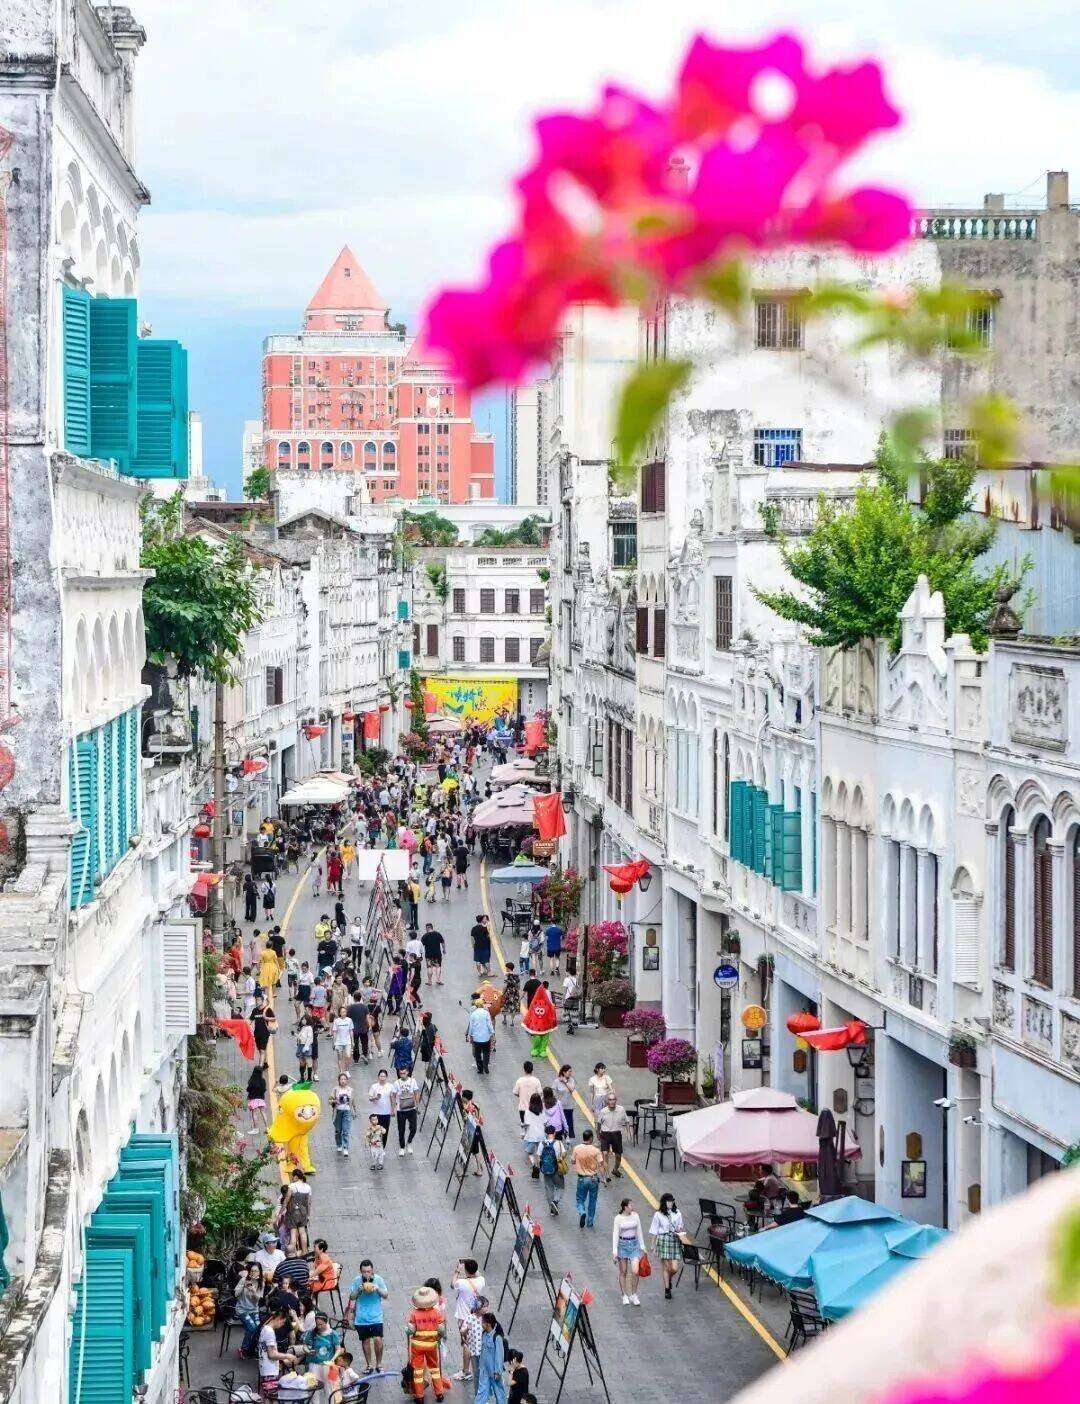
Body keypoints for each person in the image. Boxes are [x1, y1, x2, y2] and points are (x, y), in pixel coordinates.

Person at [406, 1283, 449, 1401]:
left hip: (417, 1346)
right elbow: (441, 1329)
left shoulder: (414, 1313)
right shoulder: (436, 1312)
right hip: (432, 1345)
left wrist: (407, 1329)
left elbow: (411, 1330)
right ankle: (439, 1393)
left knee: (418, 1371)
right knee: (434, 1368)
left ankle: (419, 1396)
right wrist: (439, 1337)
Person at [347, 1259, 388, 1374]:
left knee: (378, 1340)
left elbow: (385, 1295)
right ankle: (369, 1365)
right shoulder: (356, 1281)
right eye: (364, 1272)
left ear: (372, 1270)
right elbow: (352, 1297)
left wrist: (377, 1289)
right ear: (361, 1271)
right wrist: (359, 1290)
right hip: (361, 1317)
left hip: (376, 1316)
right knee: (365, 1341)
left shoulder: (378, 1279)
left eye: (368, 1271)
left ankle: (379, 1364)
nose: (366, 1274)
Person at [451, 1259, 485, 1382]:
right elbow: (477, 1274)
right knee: (472, 1341)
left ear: (466, 1270)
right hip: (476, 1316)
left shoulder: (462, 1283)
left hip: (463, 1317)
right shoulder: (481, 1281)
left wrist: (457, 1270)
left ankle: (466, 1371)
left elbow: (452, 1284)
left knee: (465, 1343)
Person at [650, 1192, 685, 1299]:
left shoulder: (677, 1213)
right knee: (666, 1267)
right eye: (669, 1201)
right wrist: (652, 1245)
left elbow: (680, 1226)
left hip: (674, 1239)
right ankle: (667, 1289)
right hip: (663, 1240)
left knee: (674, 1268)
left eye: (672, 1201)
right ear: (664, 1202)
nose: (671, 1203)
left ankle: (669, 1279)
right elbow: (655, 1230)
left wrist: (679, 1230)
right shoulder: (658, 1214)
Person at [612, 1197, 646, 1306]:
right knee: (624, 1271)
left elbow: (639, 1231)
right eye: (630, 1205)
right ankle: (624, 1295)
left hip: (634, 1244)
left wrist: (642, 1246)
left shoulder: (635, 1216)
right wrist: (614, 1252)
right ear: (625, 1207)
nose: (632, 1207)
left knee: (635, 1271)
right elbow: (615, 1235)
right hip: (622, 1245)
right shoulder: (618, 1218)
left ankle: (634, 1294)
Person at [570, 1128, 603, 1230]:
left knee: (580, 1199)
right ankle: (590, 1222)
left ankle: (582, 1212)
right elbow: (601, 1163)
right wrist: (604, 1178)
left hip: (582, 1178)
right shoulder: (596, 1150)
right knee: (592, 1201)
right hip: (593, 1179)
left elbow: (572, 1161)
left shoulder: (577, 1148)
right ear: (591, 1138)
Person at [259, 1308, 297, 1390]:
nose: (283, 1325)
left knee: (269, 1395)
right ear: (278, 1319)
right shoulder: (269, 1332)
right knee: (271, 1395)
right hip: (270, 1371)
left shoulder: (265, 1328)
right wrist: (287, 1356)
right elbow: (271, 1354)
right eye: (283, 1322)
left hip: (266, 1368)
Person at [233, 1261, 265, 1358]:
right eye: (252, 1271)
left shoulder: (261, 1283)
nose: (253, 1273)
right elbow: (235, 1294)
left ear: (260, 1272)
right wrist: (243, 1285)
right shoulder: (243, 1280)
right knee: (251, 1327)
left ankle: (251, 1349)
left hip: (254, 1309)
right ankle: (243, 1349)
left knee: (258, 1327)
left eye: (256, 1271)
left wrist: (253, 1291)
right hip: (242, 1309)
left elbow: (258, 1300)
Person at [474, 1313, 506, 1404]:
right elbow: (483, 1353)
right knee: (481, 1392)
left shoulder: (497, 1338)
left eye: (483, 1322)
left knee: (499, 1394)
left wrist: (498, 1372)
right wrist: (481, 1367)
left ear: (488, 1324)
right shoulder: (484, 1334)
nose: (481, 1324)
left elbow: (499, 1356)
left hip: (494, 1372)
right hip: (484, 1371)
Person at [598, 1092, 629, 1182]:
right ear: (607, 1101)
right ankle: (607, 1175)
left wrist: (629, 1133)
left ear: (616, 1100)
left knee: (618, 1155)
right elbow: (599, 1123)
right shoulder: (603, 1111)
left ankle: (615, 1170)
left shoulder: (621, 1109)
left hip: (616, 1134)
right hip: (605, 1134)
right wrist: (598, 1134)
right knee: (605, 1154)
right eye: (610, 1099)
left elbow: (627, 1121)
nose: (612, 1101)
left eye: (613, 1099)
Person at [539, 1124, 567, 1215]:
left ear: (546, 1133)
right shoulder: (558, 1143)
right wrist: (560, 1157)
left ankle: (552, 1210)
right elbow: (564, 1154)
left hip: (545, 1169)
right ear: (554, 1133)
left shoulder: (541, 1143)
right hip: (557, 1169)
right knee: (560, 1187)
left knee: (549, 1189)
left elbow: (539, 1157)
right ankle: (555, 1201)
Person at [392, 1064, 420, 1156]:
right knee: (401, 1130)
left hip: (412, 1108)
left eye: (404, 1073)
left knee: (414, 1128)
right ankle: (402, 1147)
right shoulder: (396, 1083)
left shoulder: (413, 1081)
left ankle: (409, 1142)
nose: (402, 1075)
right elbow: (393, 1095)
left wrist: (417, 1105)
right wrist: (393, 1108)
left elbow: (416, 1092)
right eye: (400, 1073)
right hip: (401, 1110)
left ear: (407, 1072)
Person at [284, 1169, 312, 1253]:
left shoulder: (292, 1186)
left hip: (293, 1213)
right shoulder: (308, 1187)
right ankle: (305, 1252)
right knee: (302, 1232)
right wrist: (308, 1214)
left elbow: (286, 1200)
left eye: (292, 1176)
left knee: (293, 1233)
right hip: (303, 1213)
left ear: (296, 1177)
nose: (292, 1178)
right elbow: (309, 1203)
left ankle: (292, 1253)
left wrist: (281, 1211)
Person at [466, 997, 495, 1076]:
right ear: (482, 1005)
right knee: (486, 1052)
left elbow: (471, 1026)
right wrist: (492, 1034)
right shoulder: (486, 1013)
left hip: (477, 1038)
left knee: (477, 1054)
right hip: (486, 1037)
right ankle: (486, 1066)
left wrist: (470, 1035)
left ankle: (480, 1069)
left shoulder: (473, 1014)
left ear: (476, 1005)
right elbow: (489, 1024)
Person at [521, 1094, 546, 1177]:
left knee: (530, 1152)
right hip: (541, 1135)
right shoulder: (542, 1111)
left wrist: (523, 1127)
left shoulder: (528, 1111)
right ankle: (539, 1164)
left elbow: (527, 1123)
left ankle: (534, 1165)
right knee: (539, 1152)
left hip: (531, 1135)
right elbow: (545, 1122)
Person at [512, 1062, 542, 1128]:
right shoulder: (536, 1080)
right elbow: (540, 1093)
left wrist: (521, 1096)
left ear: (524, 1069)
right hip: (533, 1108)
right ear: (532, 1069)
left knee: (524, 1126)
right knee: (533, 1126)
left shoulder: (520, 1080)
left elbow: (515, 1092)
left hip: (522, 1108)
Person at [368, 1069, 393, 1146]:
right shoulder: (374, 1086)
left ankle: (383, 1147)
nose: (382, 1078)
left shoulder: (390, 1086)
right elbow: (370, 1098)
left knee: (385, 1131)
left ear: (386, 1077)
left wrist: (393, 1109)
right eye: (381, 1076)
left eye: (384, 1076)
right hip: (376, 1113)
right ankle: (375, 1146)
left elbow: (392, 1098)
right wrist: (375, 1098)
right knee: (376, 1131)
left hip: (386, 1113)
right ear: (378, 1077)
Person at [332, 1072, 354, 1156]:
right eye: (341, 1079)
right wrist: (335, 1101)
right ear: (339, 1080)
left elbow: (353, 1101)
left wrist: (353, 1111)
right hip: (338, 1111)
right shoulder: (335, 1089)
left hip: (347, 1111)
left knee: (345, 1130)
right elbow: (330, 1100)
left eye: (345, 1079)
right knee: (338, 1130)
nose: (343, 1081)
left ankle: (345, 1147)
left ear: (347, 1080)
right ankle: (339, 1144)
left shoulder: (350, 1090)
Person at [346, 991, 370, 1065]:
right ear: (360, 998)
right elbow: (367, 1018)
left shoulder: (350, 1007)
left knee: (355, 1043)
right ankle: (364, 1054)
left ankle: (356, 1059)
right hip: (363, 1027)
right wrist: (369, 1026)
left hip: (354, 1029)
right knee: (364, 1042)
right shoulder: (364, 1007)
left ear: (354, 998)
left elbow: (348, 1018)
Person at [553, 1065, 576, 1139]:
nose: (570, 1073)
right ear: (564, 1072)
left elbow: (572, 1089)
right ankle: (560, 1138)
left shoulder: (571, 1080)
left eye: (571, 1071)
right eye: (569, 1071)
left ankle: (568, 1138)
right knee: (560, 1124)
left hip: (569, 1106)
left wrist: (565, 1082)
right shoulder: (557, 1081)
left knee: (569, 1123)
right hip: (559, 1107)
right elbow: (553, 1093)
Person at [246, 1062, 270, 1131]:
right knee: (263, 1112)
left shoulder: (252, 1081)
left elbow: (248, 1089)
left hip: (253, 1099)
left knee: (254, 1113)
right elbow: (264, 1089)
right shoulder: (263, 1081)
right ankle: (267, 1127)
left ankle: (255, 1129)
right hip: (261, 1098)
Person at [332, 1011, 354, 1075]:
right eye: (342, 1012)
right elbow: (335, 1032)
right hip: (339, 1042)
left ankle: (346, 1070)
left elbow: (351, 1031)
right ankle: (341, 1071)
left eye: (344, 1012)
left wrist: (352, 1041)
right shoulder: (336, 1021)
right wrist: (334, 1042)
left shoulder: (349, 1020)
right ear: (340, 1013)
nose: (343, 1013)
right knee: (340, 1057)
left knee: (348, 1056)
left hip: (347, 1041)